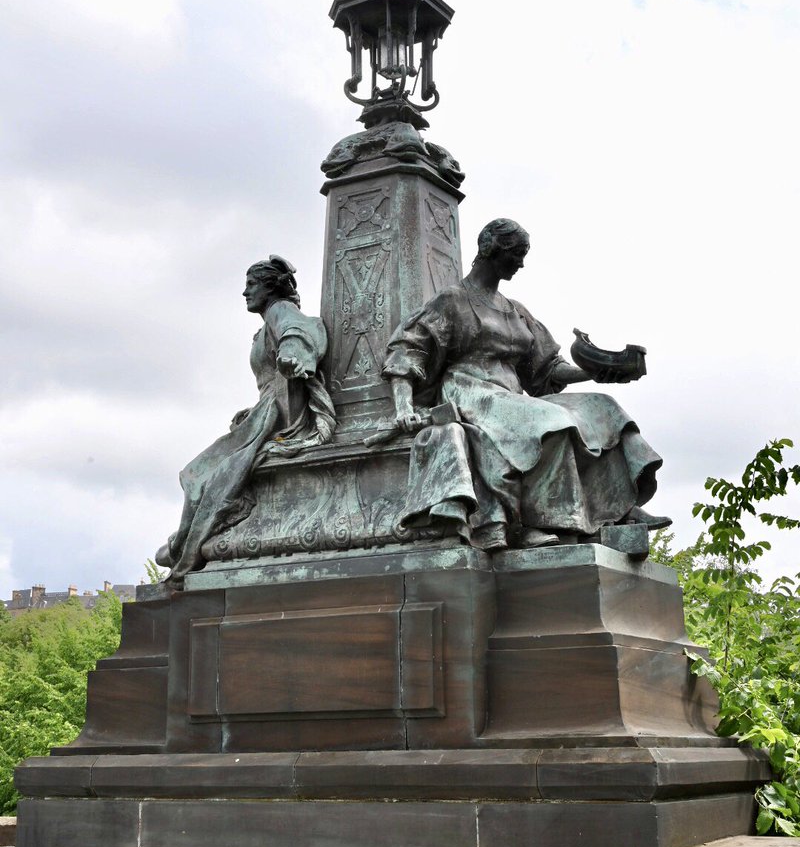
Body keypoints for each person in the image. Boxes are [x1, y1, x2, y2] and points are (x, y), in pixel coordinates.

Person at [382, 219, 669, 551]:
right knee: (553, 423)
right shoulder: (452, 300)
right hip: (472, 391)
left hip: (511, 395)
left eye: (523, 254)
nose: (521, 262)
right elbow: (408, 351)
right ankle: (540, 522)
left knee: (605, 409)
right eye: (516, 253)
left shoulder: (515, 310)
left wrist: (597, 372)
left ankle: (619, 505)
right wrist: (403, 405)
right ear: (490, 250)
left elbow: (548, 369)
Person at [156, 256, 335, 581]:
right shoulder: (268, 321)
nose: (245, 292)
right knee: (201, 473)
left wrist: (292, 354)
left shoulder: (281, 311)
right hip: (265, 412)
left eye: (251, 285)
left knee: (204, 474)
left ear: (271, 287)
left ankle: (184, 544)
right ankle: (184, 541)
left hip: (279, 417)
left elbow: (299, 331)